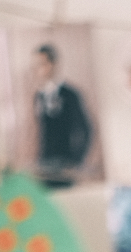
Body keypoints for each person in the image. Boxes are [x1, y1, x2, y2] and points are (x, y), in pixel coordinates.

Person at [32, 45, 91, 188]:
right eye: (35, 65)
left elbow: (86, 129)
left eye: (41, 64)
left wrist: (76, 160)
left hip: (65, 164)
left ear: (52, 64)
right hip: (44, 163)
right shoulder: (39, 95)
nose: (36, 69)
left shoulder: (70, 94)